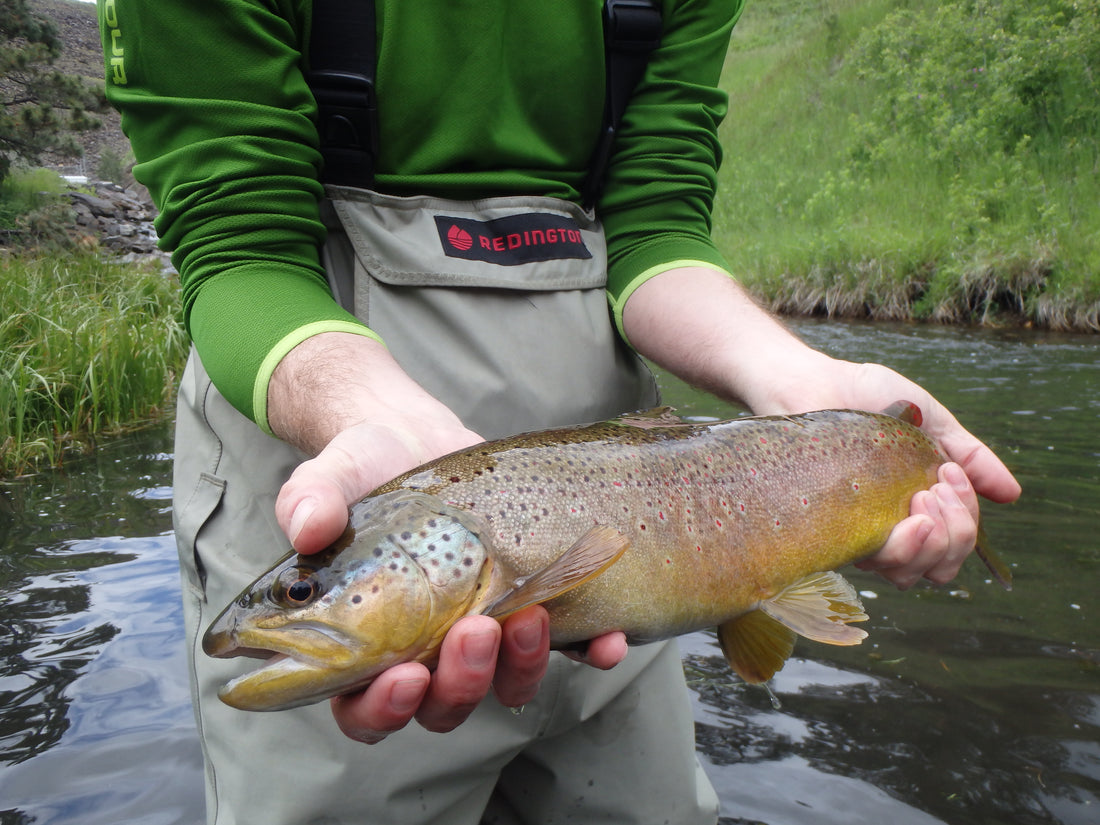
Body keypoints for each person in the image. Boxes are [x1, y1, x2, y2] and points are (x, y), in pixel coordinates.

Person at [101, 1, 1021, 823]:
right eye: (306, 592)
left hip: (627, 468)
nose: (287, 607)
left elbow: (655, 217)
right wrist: (361, 410)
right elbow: (238, 241)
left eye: (302, 594)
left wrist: (793, 378)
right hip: (322, 417)